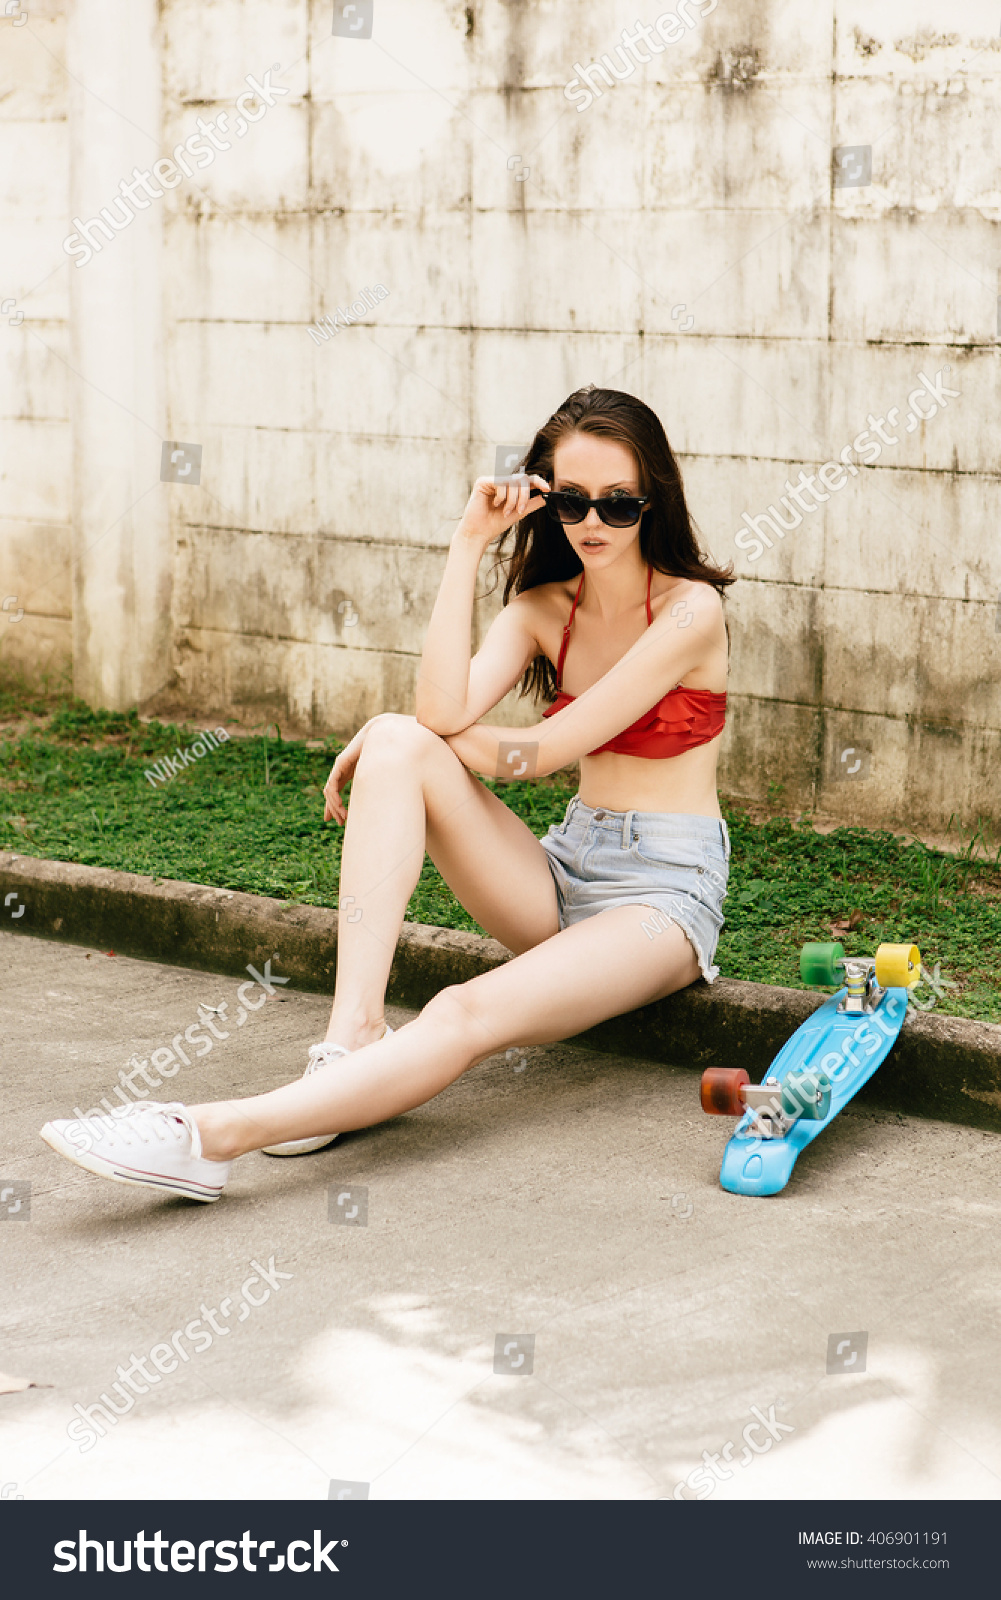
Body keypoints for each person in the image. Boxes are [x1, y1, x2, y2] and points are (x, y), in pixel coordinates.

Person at [41, 386, 735, 1203]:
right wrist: (467, 544)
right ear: (543, 500)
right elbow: (441, 712)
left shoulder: (691, 611)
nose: (592, 523)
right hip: (563, 867)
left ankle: (208, 1136)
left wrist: (410, 727)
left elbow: (534, 755)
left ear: (654, 497)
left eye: (618, 504)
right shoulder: (544, 607)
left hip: (660, 896)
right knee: (405, 741)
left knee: (458, 1012)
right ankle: (352, 1033)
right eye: (573, 501)